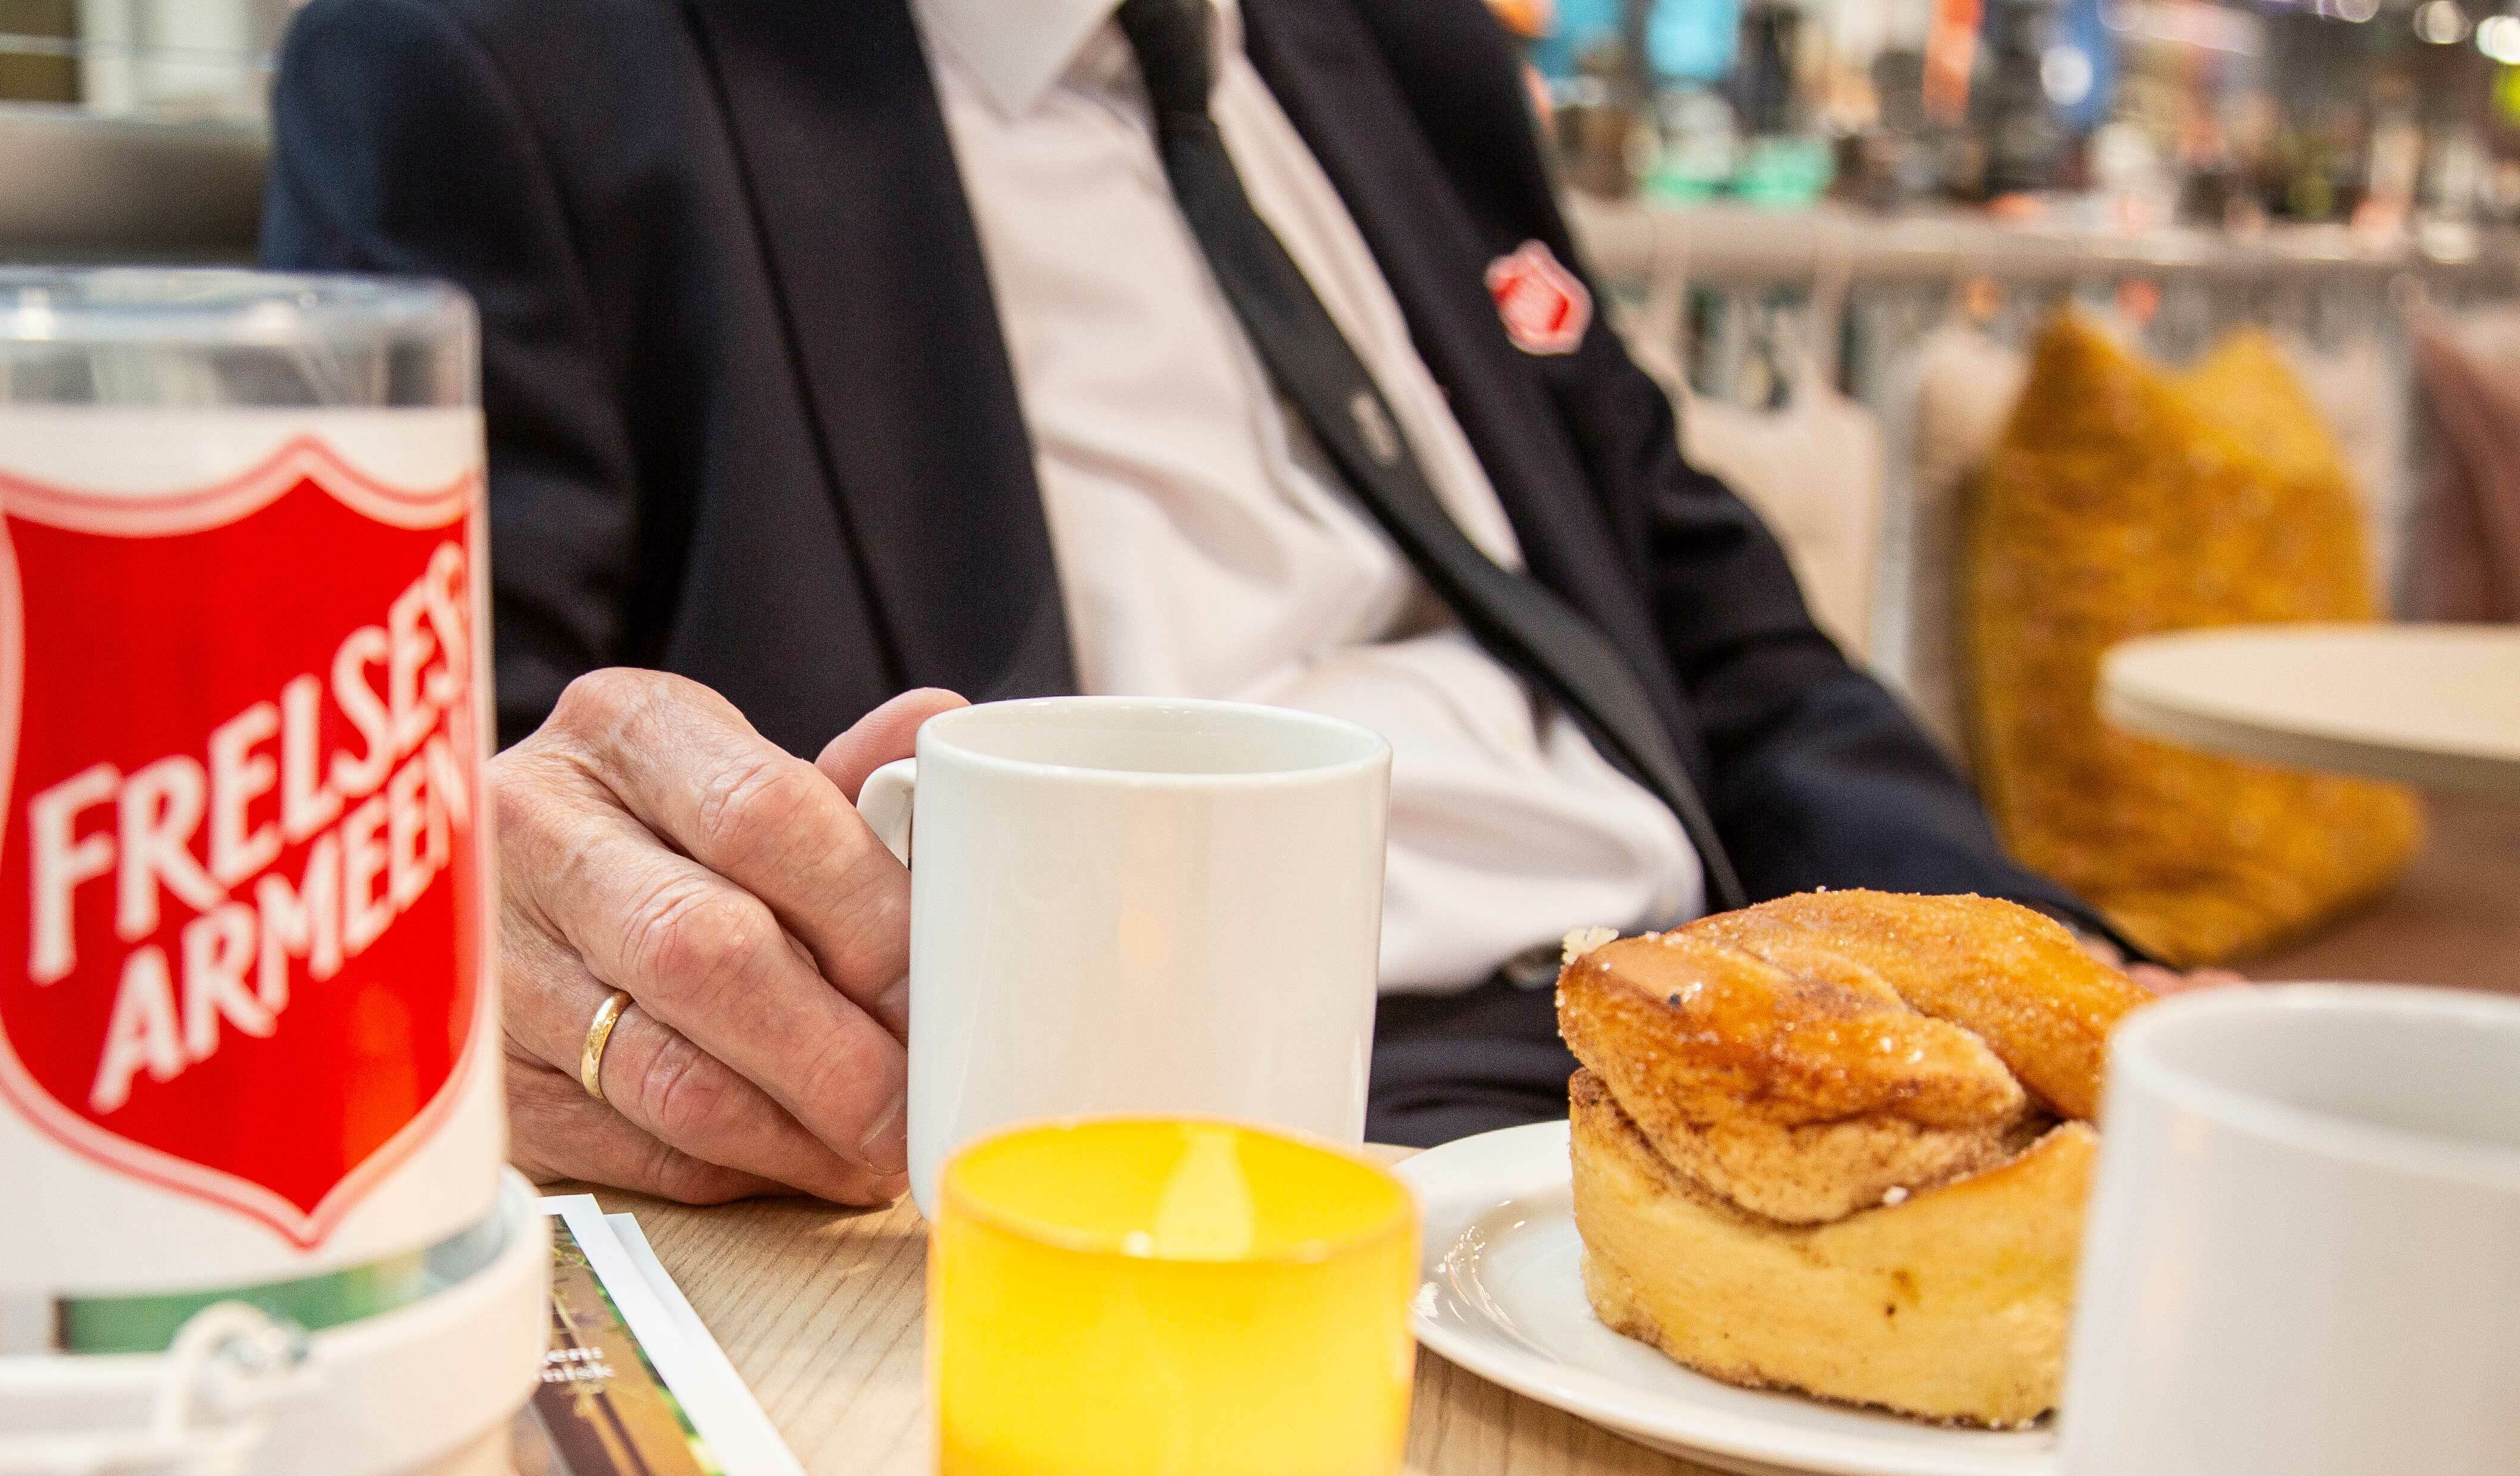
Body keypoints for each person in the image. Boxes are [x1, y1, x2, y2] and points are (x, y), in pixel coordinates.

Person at [262, 0, 2103, 1194]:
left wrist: (2065, 982)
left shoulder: (1399, 57)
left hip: (1712, 1064)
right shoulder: (504, 65)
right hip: (1158, 1152)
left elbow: (1718, 634)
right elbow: (384, 803)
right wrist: (489, 925)